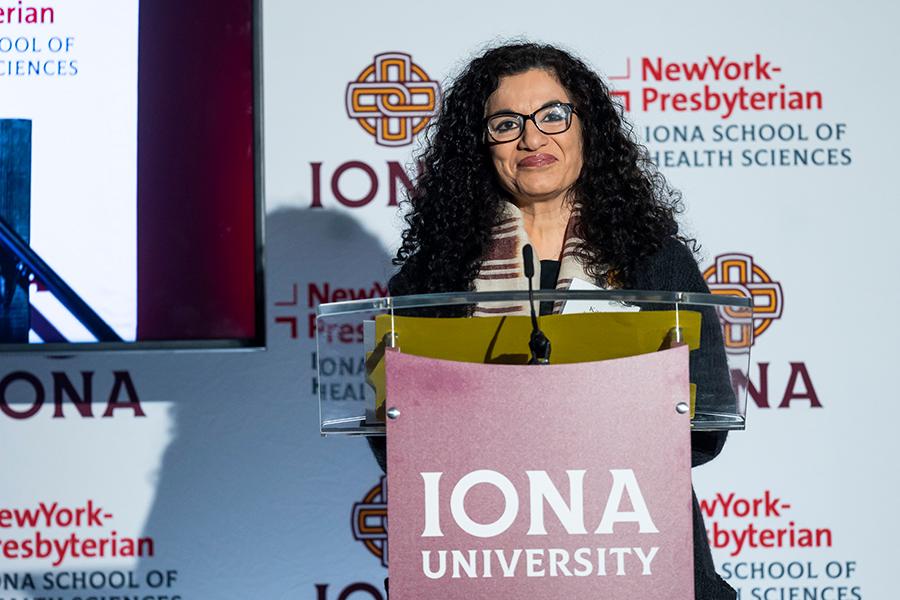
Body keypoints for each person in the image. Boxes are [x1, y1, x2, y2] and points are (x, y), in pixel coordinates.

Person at [371, 42, 736, 599]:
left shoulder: (652, 259)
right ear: (480, 144)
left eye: (552, 115)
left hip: (635, 547)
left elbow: (706, 416)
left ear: (587, 128)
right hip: (483, 551)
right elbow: (392, 431)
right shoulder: (428, 282)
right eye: (506, 123)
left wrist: (574, 454)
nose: (532, 138)